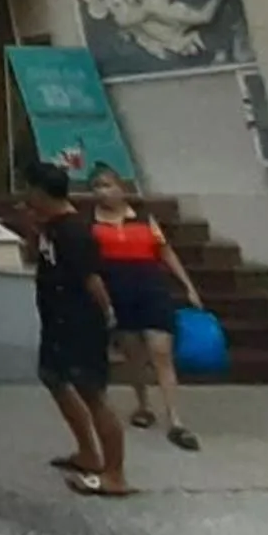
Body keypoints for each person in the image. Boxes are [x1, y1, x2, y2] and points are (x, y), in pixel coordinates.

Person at [26, 160, 128, 498]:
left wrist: (110, 322)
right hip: (56, 321)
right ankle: (87, 452)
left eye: (31, 190)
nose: (27, 197)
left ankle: (115, 473)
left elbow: (93, 279)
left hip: (80, 323)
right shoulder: (51, 227)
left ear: (41, 192)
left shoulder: (74, 231)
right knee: (52, 377)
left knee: (93, 394)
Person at [88, 163, 202, 451]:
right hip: (118, 292)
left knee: (161, 352)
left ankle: (175, 418)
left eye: (108, 185)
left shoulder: (143, 219)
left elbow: (165, 251)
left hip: (151, 288)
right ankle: (143, 404)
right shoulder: (91, 224)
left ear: (122, 187)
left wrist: (188, 285)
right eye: (98, 187)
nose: (104, 192)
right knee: (133, 354)